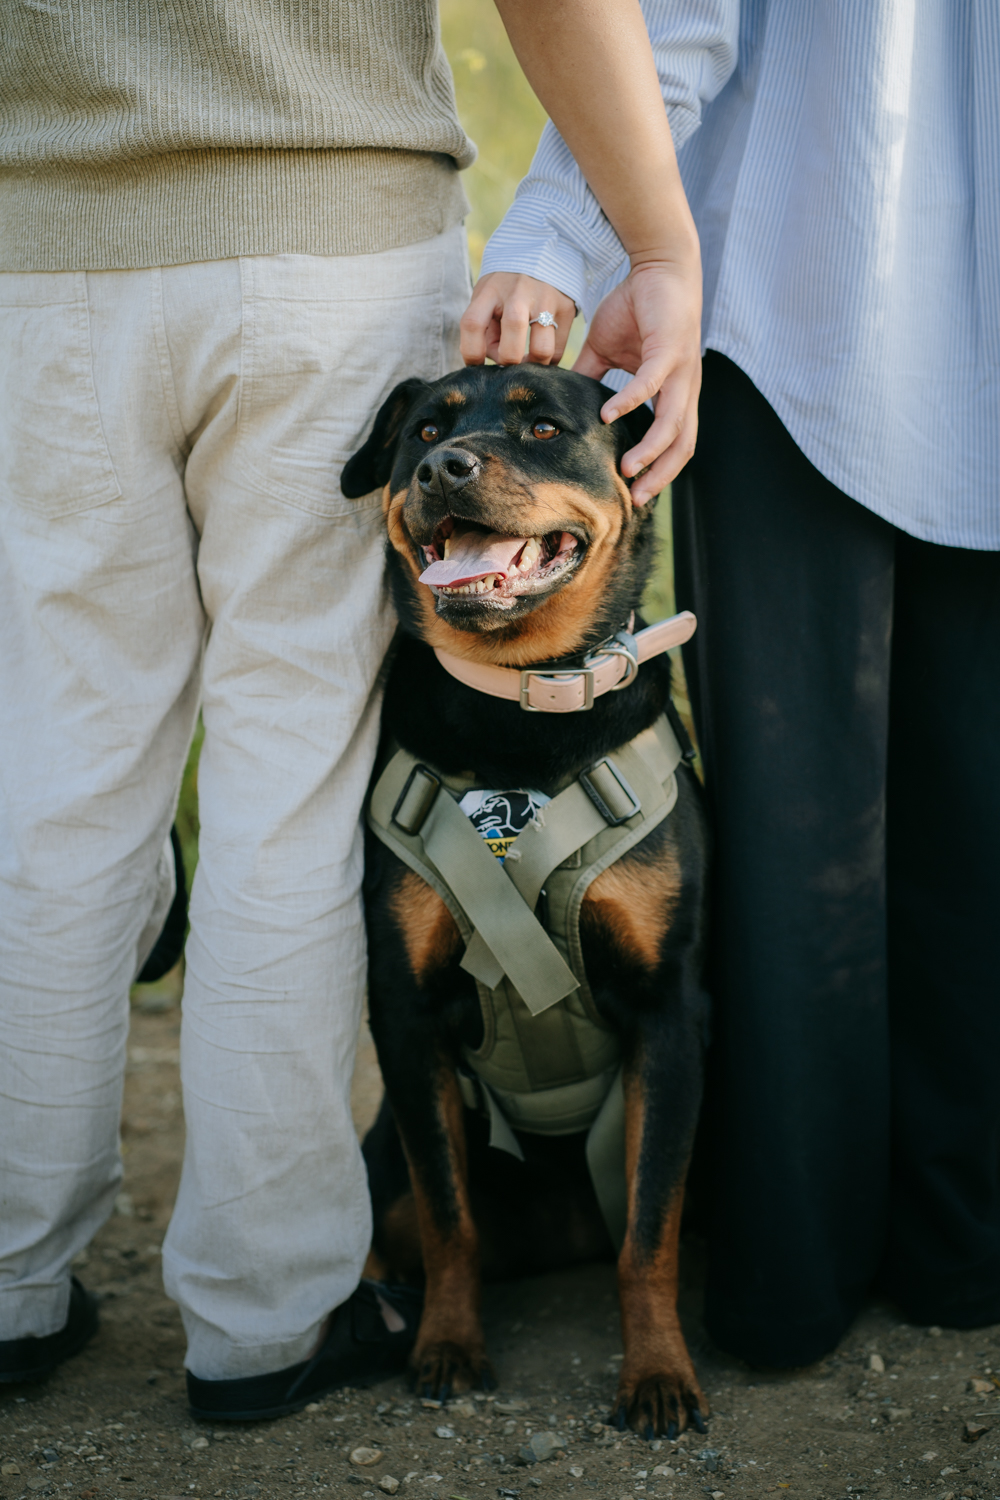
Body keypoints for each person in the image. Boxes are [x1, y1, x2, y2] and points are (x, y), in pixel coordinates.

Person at [0, 0, 698, 1413]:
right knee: (292, 780)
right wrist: (659, 242)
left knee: (60, 780)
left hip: (41, 242)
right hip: (327, 231)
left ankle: (14, 1283)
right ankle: (262, 1323)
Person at [477, 0, 1000, 1367]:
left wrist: (558, 234)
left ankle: (796, 1275)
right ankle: (961, 1246)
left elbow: (682, 15)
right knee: (971, 808)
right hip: (859, 306)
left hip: (803, 278)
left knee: (800, 820)